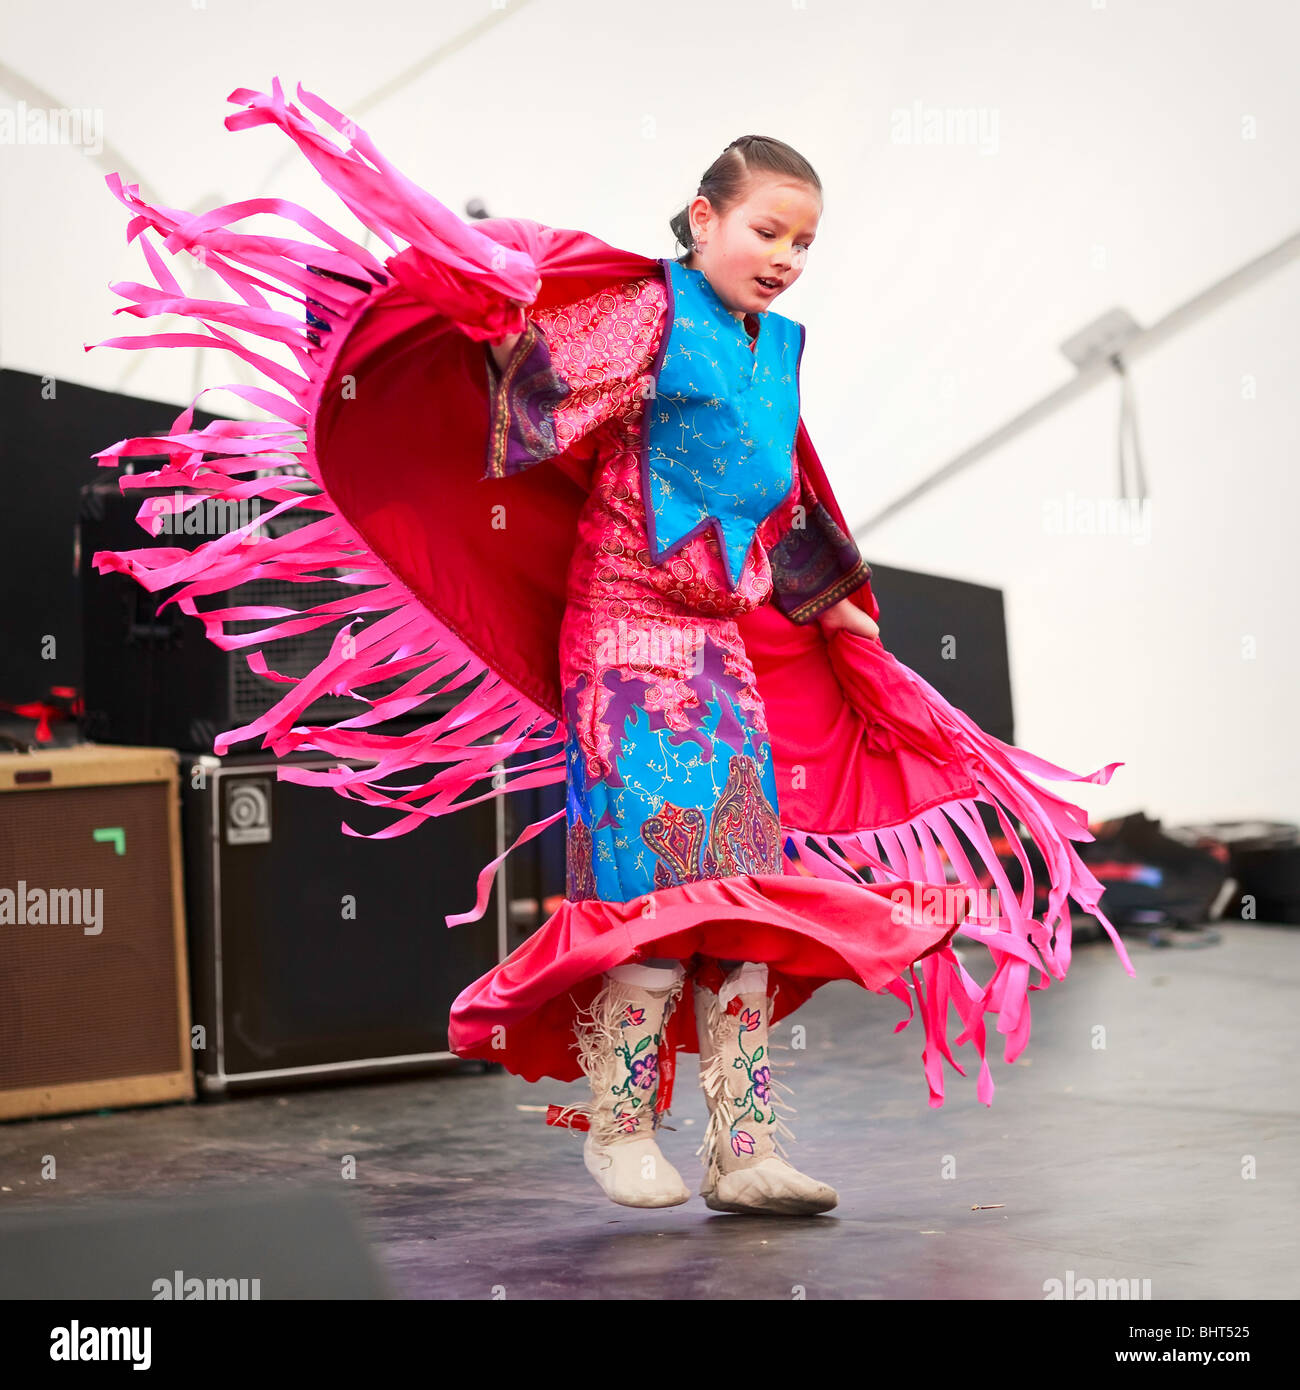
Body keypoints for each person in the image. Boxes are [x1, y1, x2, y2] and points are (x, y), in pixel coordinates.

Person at [89, 80, 1134, 1220]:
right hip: (625, 647)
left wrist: (837, 607)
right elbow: (530, 410)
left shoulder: (775, 348)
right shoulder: (648, 311)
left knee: (744, 907)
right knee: (653, 896)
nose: (785, 256)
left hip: (722, 654)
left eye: (803, 241)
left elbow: (778, 490)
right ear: (701, 218)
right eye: (765, 230)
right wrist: (491, 326)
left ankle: (741, 1150)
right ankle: (623, 1124)